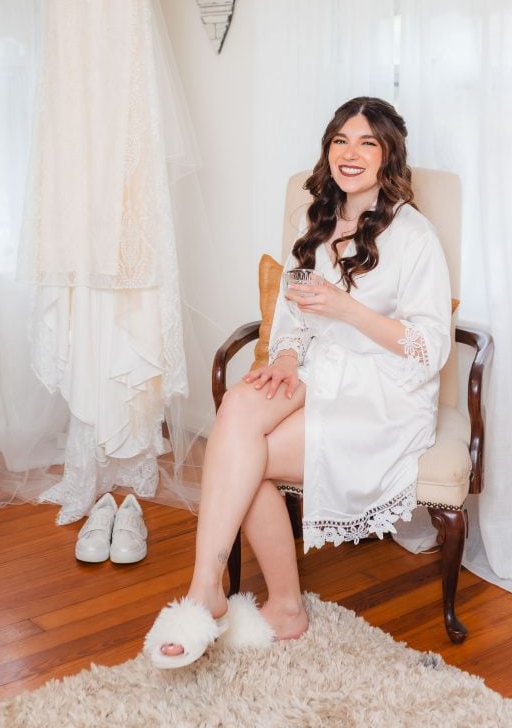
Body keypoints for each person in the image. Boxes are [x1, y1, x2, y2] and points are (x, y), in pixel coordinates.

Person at [144, 97, 452, 669]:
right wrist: (284, 361)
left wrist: (346, 308)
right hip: (319, 372)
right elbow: (292, 323)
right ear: (328, 150)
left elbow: (428, 348)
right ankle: (229, 593)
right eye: (340, 140)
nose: (350, 153)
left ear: (388, 157)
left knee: (245, 457)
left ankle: (232, 598)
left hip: (384, 394)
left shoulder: (414, 236)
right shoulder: (315, 222)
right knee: (239, 408)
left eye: (366, 142)